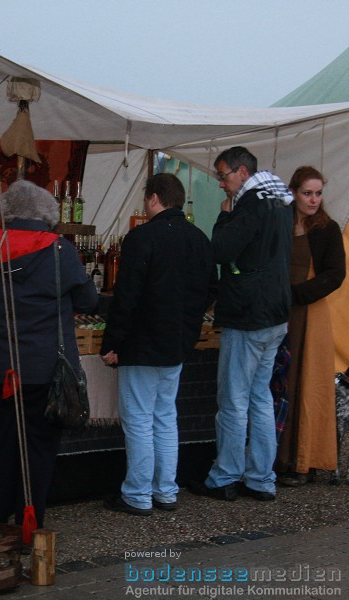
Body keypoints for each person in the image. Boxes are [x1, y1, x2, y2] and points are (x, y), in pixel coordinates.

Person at [0, 179, 97, 528]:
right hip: (42, 370)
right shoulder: (59, 250)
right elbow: (89, 300)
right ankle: (29, 527)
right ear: (46, 214)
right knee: (37, 451)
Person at [100, 173, 216, 516]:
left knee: (138, 420)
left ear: (153, 199)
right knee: (165, 417)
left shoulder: (141, 238)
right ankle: (165, 491)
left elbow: (126, 298)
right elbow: (212, 290)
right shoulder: (200, 239)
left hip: (141, 343)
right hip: (177, 342)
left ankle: (137, 494)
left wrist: (112, 342)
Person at [188, 146, 293, 502]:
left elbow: (220, 250)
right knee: (261, 398)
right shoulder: (280, 199)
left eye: (223, 175)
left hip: (249, 313)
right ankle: (261, 477)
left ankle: (224, 477)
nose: (221, 184)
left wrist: (223, 218)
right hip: (275, 312)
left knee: (234, 400)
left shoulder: (249, 205)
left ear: (243, 172)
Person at [276, 166, 346, 486]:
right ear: (293, 192)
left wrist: (298, 295)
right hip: (279, 312)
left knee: (307, 384)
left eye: (318, 193)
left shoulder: (327, 229)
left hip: (310, 314)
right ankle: (277, 458)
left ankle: (304, 460)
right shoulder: (281, 222)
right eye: (307, 193)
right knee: (280, 384)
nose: (314, 199)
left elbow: (335, 274)